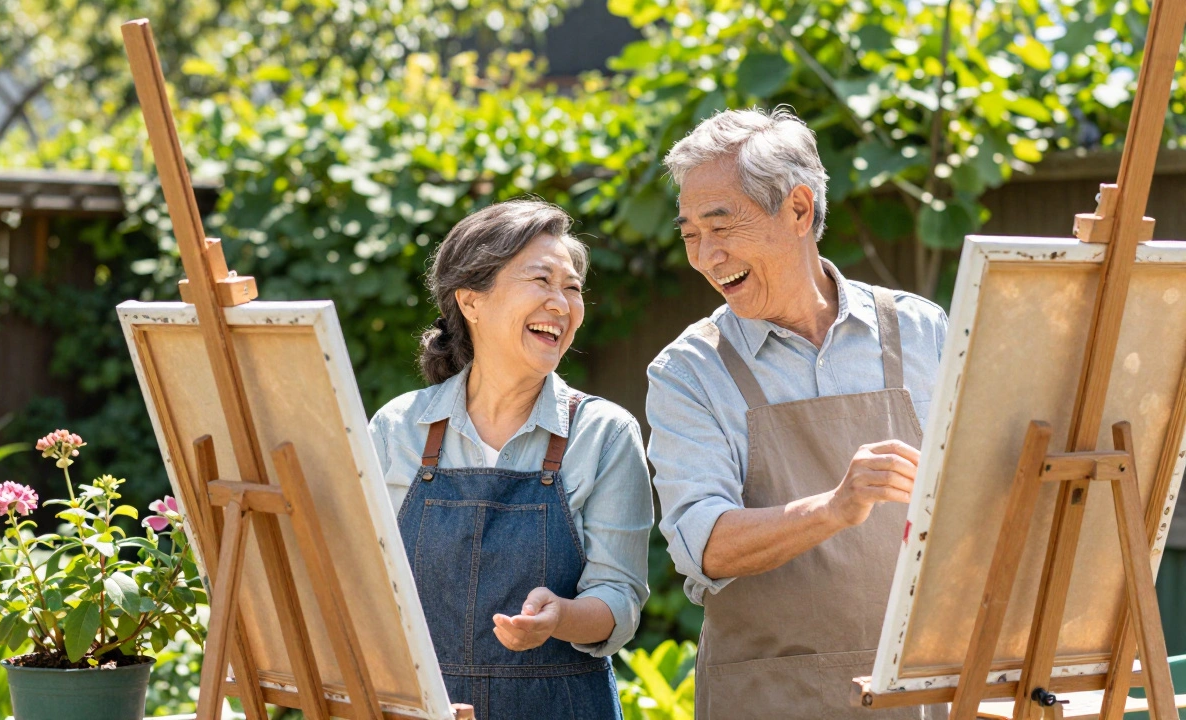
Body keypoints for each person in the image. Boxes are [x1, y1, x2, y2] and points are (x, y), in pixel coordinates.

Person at [646, 107, 949, 719]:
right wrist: (835, 507)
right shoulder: (687, 373)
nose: (705, 256)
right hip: (770, 699)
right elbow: (702, 544)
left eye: (720, 225)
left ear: (799, 210)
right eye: (690, 235)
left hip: (923, 689)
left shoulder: (922, 331)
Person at [369, 199, 653, 720]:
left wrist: (561, 617)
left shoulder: (605, 434)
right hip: (422, 708)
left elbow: (620, 600)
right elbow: (364, 584)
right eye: (541, 280)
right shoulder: (397, 428)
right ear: (471, 301)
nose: (561, 303)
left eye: (571, 287)